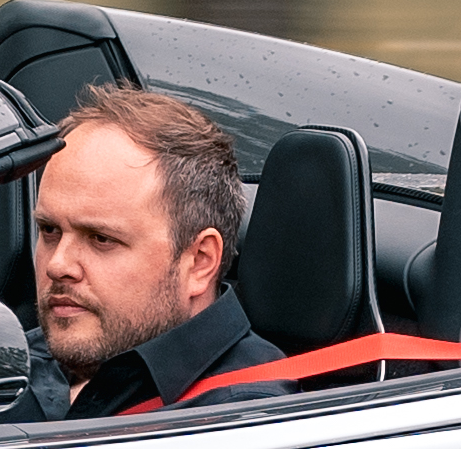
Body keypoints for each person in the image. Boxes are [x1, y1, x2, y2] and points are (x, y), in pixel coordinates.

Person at [25, 85, 277, 417]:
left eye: (101, 239)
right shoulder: (15, 358)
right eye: (49, 230)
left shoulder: (236, 422)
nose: (57, 265)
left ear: (199, 262)